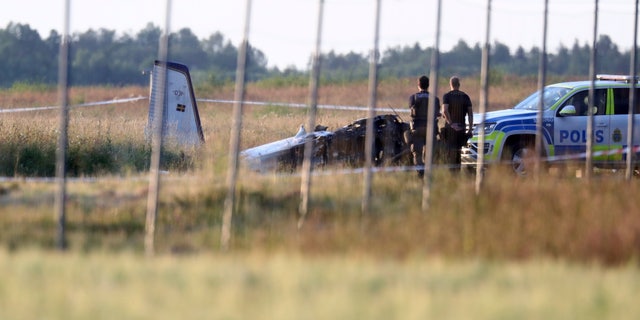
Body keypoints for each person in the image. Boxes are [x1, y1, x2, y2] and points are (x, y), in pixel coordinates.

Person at [407, 75, 440, 178]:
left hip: (417, 129)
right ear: (428, 85)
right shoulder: (435, 99)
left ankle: (421, 173)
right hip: (431, 129)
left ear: (418, 85)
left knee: (417, 153)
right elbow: (437, 112)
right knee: (430, 153)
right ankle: (429, 173)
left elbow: (411, 109)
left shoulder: (413, 97)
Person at [441, 76, 473, 172]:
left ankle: (451, 175)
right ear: (459, 84)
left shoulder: (447, 96)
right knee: (459, 153)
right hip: (461, 129)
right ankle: (457, 173)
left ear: (450, 84)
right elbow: (470, 114)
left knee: (450, 153)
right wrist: (470, 129)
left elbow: (445, 111)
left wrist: (450, 123)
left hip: (450, 130)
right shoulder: (465, 96)